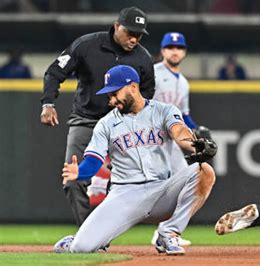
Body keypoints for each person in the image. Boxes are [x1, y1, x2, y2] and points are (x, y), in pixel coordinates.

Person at [53, 65, 217, 255]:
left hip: (162, 192)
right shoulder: (106, 124)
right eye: (109, 96)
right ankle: (78, 239)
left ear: (132, 87)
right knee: (82, 248)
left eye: (115, 93)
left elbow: (179, 131)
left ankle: (168, 233)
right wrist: (80, 172)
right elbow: (93, 159)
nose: (112, 100)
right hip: (125, 195)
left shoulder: (163, 111)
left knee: (204, 170)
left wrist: (196, 145)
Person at [39, 6, 155, 226]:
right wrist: (47, 103)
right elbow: (55, 71)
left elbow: (147, 94)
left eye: (139, 34)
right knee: (73, 178)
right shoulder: (87, 45)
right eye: (130, 32)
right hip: (87, 120)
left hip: (123, 124)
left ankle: (104, 232)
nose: (134, 38)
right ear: (116, 26)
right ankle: (88, 234)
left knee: (128, 183)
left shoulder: (143, 58)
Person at [151, 32, 212, 247]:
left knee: (191, 181)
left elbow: (184, 115)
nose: (174, 51)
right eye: (170, 47)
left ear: (184, 52)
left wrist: (197, 129)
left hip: (172, 143)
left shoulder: (183, 82)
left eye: (178, 48)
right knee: (142, 188)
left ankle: (167, 231)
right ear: (162, 51)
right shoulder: (154, 74)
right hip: (151, 140)